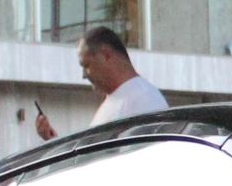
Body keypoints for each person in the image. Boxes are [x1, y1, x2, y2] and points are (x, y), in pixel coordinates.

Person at [33, 27, 167, 139]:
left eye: (86, 65)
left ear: (106, 55)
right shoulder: (119, 100)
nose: (84, 75)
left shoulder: (144, 98)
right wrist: (53, 140)